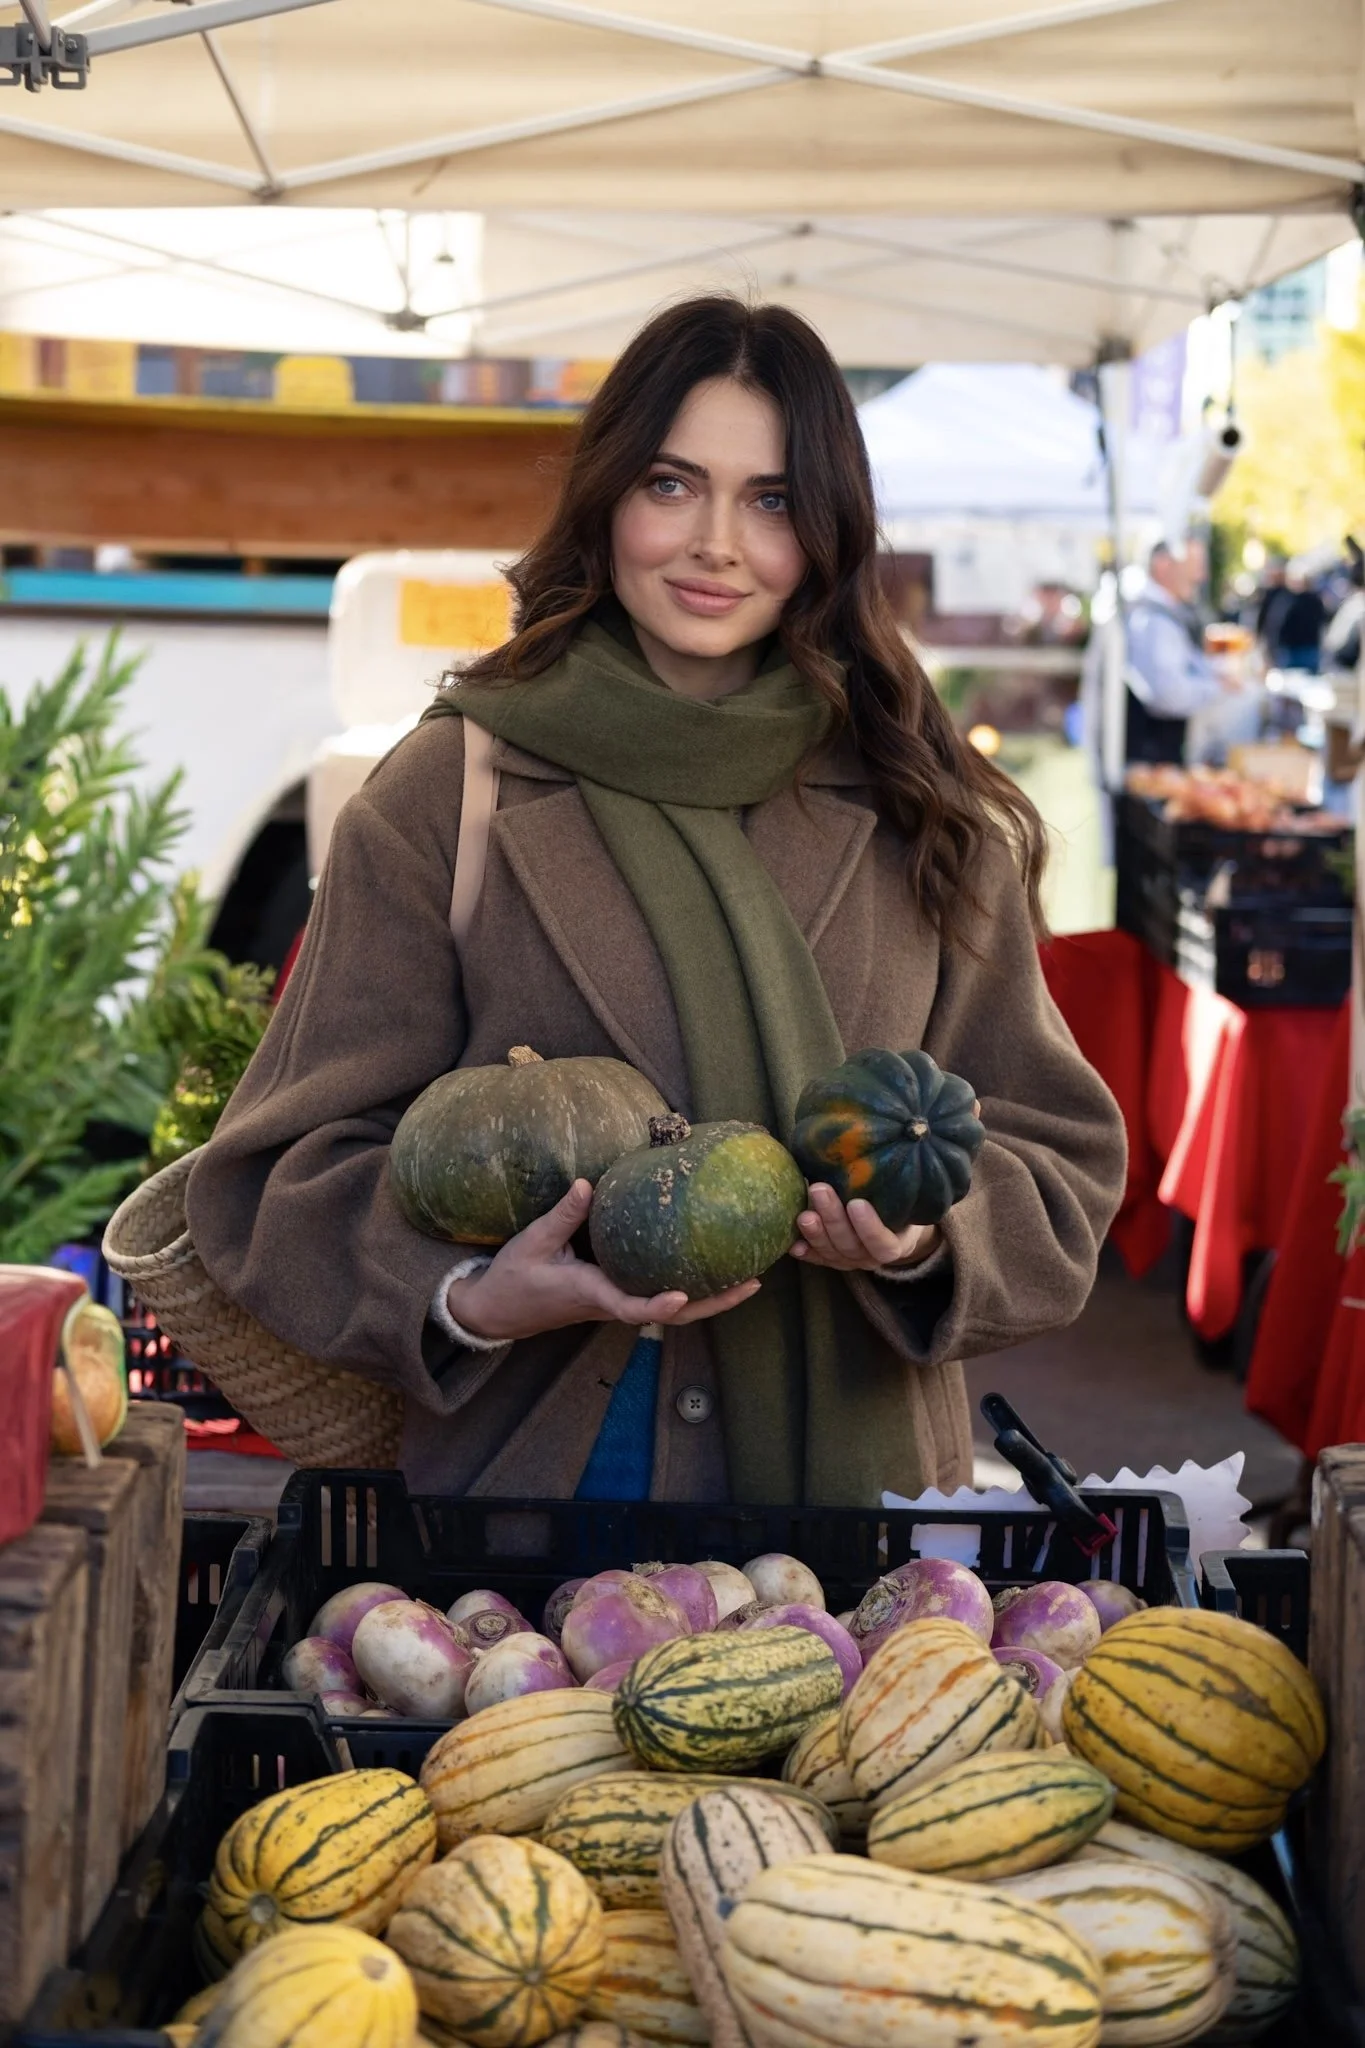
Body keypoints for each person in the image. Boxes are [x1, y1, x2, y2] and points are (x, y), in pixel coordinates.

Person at [186, 297, 1126, 1507]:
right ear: (609, 495)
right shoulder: (451, 787)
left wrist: (925, 1233)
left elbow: (1059, 1157)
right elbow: (278, 1176)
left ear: (829, 528)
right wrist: (469, 1295)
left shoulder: (917, 802)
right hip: (540, 1494)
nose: (716, 544)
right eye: (673, 485)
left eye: (772, 499)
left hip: (859, 1502)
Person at [1122, 539, 1225, 765]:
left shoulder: (1160, 614)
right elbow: (1168, 695)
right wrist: (1219, 687)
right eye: (1194, 565)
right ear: (1163, 565)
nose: (1201, 576)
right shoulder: (1153, 620)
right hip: (1156, 756)